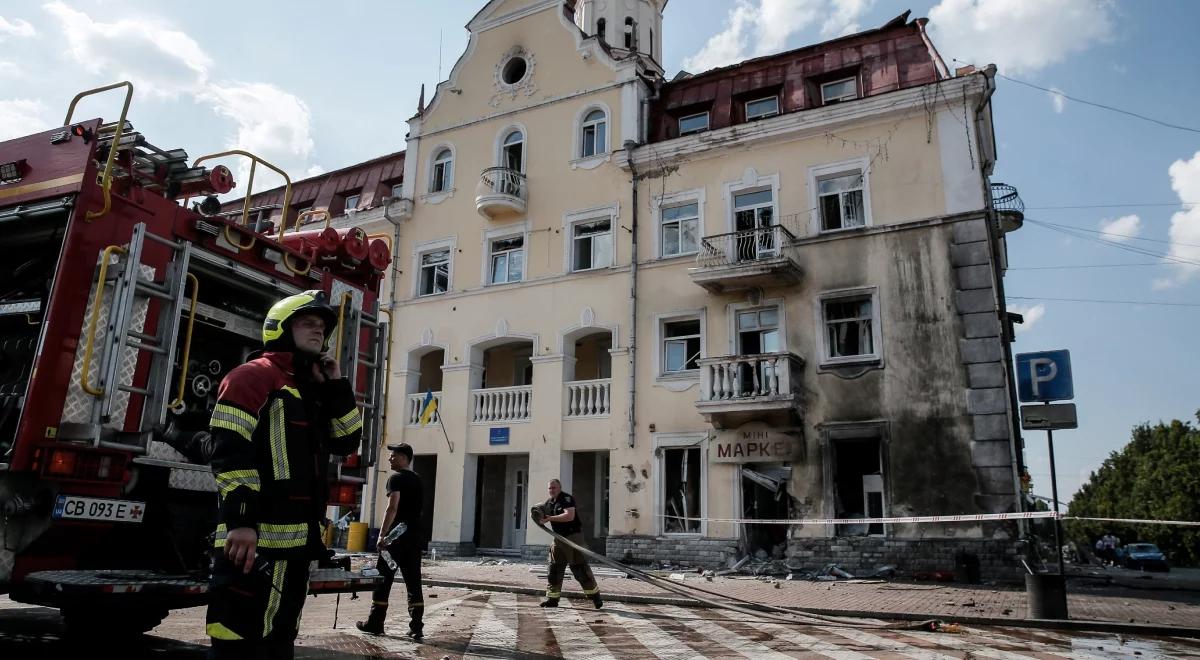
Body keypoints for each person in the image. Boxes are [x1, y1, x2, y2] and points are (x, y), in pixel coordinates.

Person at [204, 290, 363, 659]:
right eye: (308, 324)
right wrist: (241, 521)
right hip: (252, 543)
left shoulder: (313, 389)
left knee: (279, 641)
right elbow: (230, 453)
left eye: (322, 328)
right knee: (237, 639)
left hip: (295, 548)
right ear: (280, 328)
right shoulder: (252, 376)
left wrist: (337, 386)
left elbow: (346, 442)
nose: (317, 332)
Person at [357, 442, 425, 638]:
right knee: (413, 581)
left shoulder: (395, 479)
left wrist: (382, 535)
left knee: (383, 578)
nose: (390, 458)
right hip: (415, 538)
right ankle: (416, 626)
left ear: (404, 458)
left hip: (395, 539)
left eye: (394, 455)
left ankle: (375, 623)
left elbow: (392, 507)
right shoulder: (418, 480)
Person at [534, 479, 602, 609]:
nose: (551, 490)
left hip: (573, 538)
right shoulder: (549, 503)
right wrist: (539, 516)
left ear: (559, 488)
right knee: (554, 569)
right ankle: (552, 599)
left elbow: (569, 516)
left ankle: (595, 597)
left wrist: (550, 518)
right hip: (558, 538)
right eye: (549, 488)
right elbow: (539, 512)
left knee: (580, 568)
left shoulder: (566, 499)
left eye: (554, 488)